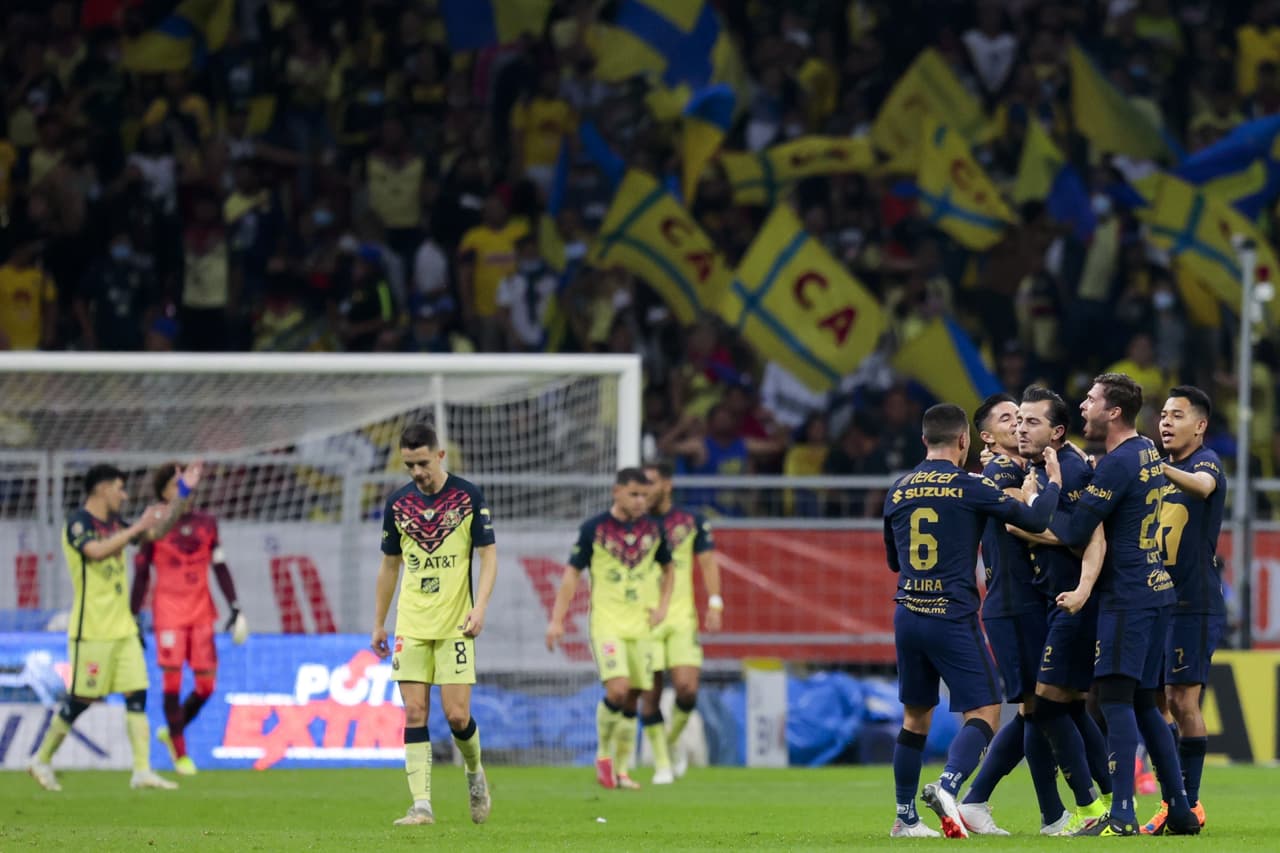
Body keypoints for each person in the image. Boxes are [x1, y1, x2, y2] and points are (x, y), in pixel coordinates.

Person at [884, 403, 1061, 839]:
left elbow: (893, 560)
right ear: (964, 441)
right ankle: (948, 786)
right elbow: (1037, 519)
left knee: (914, 717)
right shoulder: (971, 487)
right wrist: (1053, 482)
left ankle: (905, 819)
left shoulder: (898, 489)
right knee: (984, 710)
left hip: (907, 611)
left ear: (924, 440)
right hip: (950, 613)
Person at [1050, 373, 1200, 836]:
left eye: (1091, 400)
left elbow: (1076, 532)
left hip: (1128, 595)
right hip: (1156, 590)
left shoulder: (1118, 463)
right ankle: (1179, 809)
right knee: (1143, 703)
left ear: (1113, 411)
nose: (1082, 406)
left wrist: (1048, 492)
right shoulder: (1147, 453)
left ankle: (1123, 814)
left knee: (1114, 698)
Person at [29, 461, 204, 791]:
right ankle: (41, 759)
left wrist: (181, 495)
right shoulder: (78, 523)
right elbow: (95, 553)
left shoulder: (115, 524)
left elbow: (156, 531)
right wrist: (135, 527)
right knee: (82, 697)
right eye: (121, 489)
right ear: (104, 488)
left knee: (137, 692)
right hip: (92, 630)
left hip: (123, 628)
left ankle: (141, 771)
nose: (124, 496)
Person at [371, 423, 497, 827]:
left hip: (455, 624)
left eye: (422, 463)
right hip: (412, 623)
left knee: (458, 716)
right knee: (414, 711)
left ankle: (475, 772)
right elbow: (390, 565)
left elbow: (489, 555)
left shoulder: (467, 496)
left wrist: (481, 609)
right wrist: (379, 623)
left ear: (440, 456)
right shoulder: (397, 504)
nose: (417, 472)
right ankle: (421, 805)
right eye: (409, 465)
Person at [957, 394, 1071, 836]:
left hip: (1029, 599)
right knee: (1037, 709)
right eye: (1008, 419)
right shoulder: (999, 472)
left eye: (1022, 417)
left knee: (1036, 710)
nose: (1018, 424)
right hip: (1012, 602)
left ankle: (978, 800)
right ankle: (1052, 813)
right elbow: (1027, 521)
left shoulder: (1018, 468)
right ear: (985, 436)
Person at [1003, 387, 1113, 835]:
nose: (1020, 428)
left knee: (1047, 708)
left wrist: (1025, 521)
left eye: (1032, 422)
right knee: (1065, 709)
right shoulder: (1043, 468)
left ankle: (1090, 809)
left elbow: (1086, 534)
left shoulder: (1069, 469)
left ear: (1057, 431)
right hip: (1056, 601)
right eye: (1018, 421)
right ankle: (1111, 801)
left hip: (1073, 605)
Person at [545, 468, 675, 791]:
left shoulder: (655, 530)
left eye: (645, 495)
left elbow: (669, 569)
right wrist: (557, 619)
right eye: (634, 494)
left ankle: (621, 769)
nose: (640, 501)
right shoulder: (594, 529)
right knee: (617, 689)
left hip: (641, 625)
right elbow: (572, 574)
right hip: (608, 623)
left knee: (633, 699)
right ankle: (603, 756)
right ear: (616, 492)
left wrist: (662, 607)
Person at [1141, 386, 1226, 834]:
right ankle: (1173, 797)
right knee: (1157, 702)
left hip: (1194, 604)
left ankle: (1187, 804)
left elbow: (1204, 486)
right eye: (1163, 415)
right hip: (1158, 603)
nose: (1166, 422)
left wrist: (1160, 469)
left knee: (1182, 699)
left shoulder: (1204, 462)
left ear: (1200, 425)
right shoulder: (1161, 471)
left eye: (1177, 415)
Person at [131, 462, 247, 776]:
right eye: (176, 485)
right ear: (164, 490)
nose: (184, 490)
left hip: (201, 613)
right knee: (172, 681)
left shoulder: (207, 523)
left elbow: (219, 566)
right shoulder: (154, 523)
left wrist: (235, 606)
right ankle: (181, 753)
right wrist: (133, 615)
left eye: (185, 484)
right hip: (168, 614)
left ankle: (172, 729)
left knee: (207, 686)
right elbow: (141, 574)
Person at [639, 462, 723, 784]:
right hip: (644, 619)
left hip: (680, 617)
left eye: (650, 482)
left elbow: (708, 562)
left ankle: (672, 742)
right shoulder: (633, 526)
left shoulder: (690, 522)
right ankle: (662, 763)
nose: (645, 490)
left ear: (667, 485)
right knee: (650, 694)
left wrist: (715, 602)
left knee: (687, 690)